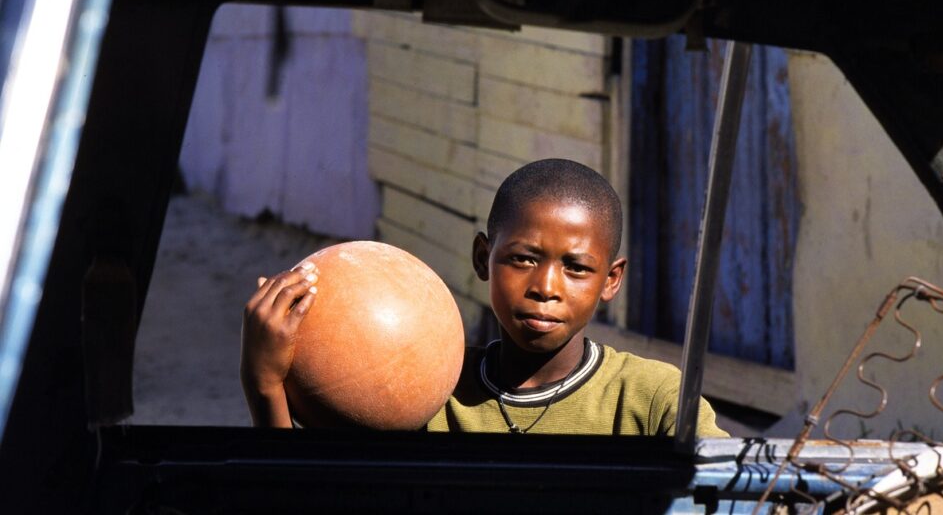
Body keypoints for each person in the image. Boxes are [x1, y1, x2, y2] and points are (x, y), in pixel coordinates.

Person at [241, 158, 727, 437]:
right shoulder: (423, 386)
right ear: (482, 258)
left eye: (577, 268)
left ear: (611, 280)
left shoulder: (651, 399)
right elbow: (310, 492)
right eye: (523, 258)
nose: (546, 287)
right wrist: (264, 384)